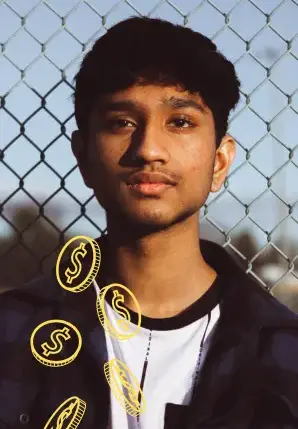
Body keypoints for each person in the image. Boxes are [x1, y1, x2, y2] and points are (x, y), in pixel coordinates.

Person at [0, 16, 298, 429]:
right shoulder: (12, 335)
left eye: (180, 122)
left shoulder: (284, 350)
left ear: (220, 161)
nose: (149, 149)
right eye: (121, 122)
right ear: (83, 155)